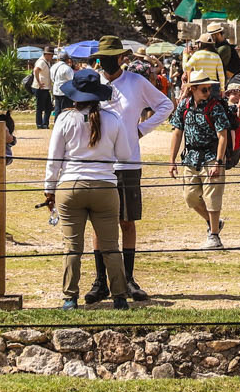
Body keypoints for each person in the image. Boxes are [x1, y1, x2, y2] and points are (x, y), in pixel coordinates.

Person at [45, 68, 135, 309]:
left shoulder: (65, 119)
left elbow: (54, 159)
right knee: (110, 246)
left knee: (72, 247)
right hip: (105, 186)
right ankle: (119, 296)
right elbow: (125, 155)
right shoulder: (113, 118)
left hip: (71, 185)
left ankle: (70, 297)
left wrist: (49, 189)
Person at [90, 37, 172, 303]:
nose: (107, 62)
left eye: (113, 57)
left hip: (127, 162)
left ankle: (127, 278)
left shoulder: (136, 83)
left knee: (127, 221)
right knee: (99, 225)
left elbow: (165, 105)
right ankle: (101, 280)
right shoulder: (95, 84)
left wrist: (140, 129)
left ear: (122, 58)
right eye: (104, 57)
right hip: (100, 162)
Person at [168, 63, 232, 249]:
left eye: (209, 88)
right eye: (204, 89)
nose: (208, 92)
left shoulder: (215, 107)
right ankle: (215, 224)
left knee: (213, 198)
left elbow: (223, 135)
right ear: (193, 89)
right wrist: (171, 161)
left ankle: (214, 236)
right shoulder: (184, 106)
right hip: (191, 158)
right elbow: (177, 132)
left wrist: (218, 162)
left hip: (212, 156)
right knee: (190, 197)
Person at [31, 49, 55, 129]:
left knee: (48, 107)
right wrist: (39, 82)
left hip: (45, 87)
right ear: (47, 54)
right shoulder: (41, 61)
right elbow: (36, 70)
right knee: (40, 107)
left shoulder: (46, 62)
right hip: (40, 88)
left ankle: (45, 123)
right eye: (51, 55)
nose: (52, 57)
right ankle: (39, 124)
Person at [49, 49, 76, 117]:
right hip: (65, 91)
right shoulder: (67, 68)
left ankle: (57, 122)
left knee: (57, 108)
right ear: (66, 59)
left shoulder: (53, 67)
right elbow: (72, 80)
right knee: (66, 109)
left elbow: (52, 78)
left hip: (56, 90)